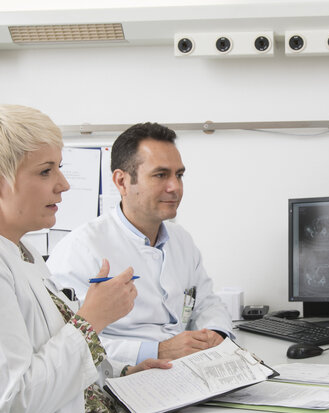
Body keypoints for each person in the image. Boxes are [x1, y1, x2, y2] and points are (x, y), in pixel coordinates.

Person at [0, 105, 173, 413]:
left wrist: (123, 375)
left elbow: (57, 357)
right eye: (46, 171)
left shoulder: (23, 252)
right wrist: (91, 319)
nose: (62, 184)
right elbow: (15, 401)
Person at [48, 122, 233, 366]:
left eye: (179, 175)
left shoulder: (181, 240)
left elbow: (207, 302)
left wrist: (216, 334)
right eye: (160, 175)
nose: (175, 187)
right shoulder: (80, 249)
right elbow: (67, 344)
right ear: (122, 182)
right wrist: (156, 350)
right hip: (127, 376)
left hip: (192, 366)